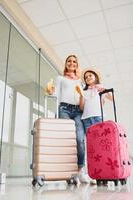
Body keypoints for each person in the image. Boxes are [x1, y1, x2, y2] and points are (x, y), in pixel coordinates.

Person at [46, 55, 89, 183]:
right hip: (64, 109)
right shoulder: (60, 78)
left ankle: (80, 170)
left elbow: (83, 98)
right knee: (66, 140)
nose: (72, 63)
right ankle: (69, 172)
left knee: (79, 139)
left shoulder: (80, 81)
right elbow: (56, 95)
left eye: (74, 61)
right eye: (69, 61)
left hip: (77, 111)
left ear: (77, 64)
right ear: (65, 64)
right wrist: (51, 92)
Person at [76, 68, 113, 135]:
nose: (88, 78)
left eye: (90, 75)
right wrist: (81, 95)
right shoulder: (84, 91)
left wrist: (105, 91)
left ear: (95, 77)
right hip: (86, 118)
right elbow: (81, 108)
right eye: (86, 77)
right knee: (91, 140)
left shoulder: (100, 88)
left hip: (98, 117)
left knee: (100, 138)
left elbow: (112, 98)